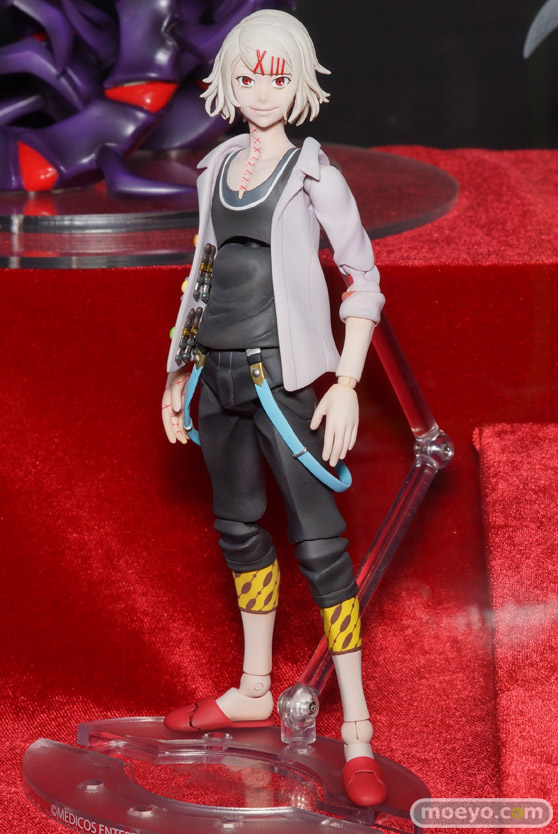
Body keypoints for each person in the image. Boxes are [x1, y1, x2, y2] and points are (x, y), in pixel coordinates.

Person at [161, 9, 387, 807]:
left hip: (282, 380)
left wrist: (346, 382)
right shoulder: (217, 166)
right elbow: (200, 272)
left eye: (277, 78)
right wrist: (176, 370)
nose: (261, 91)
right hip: (215, 379)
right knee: (238, 529)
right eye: (248, 76)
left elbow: (363, 277)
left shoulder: (315, 173)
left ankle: (357, 726)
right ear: (229, 80)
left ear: (299, 86)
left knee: (321, 547)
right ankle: (255, 686)